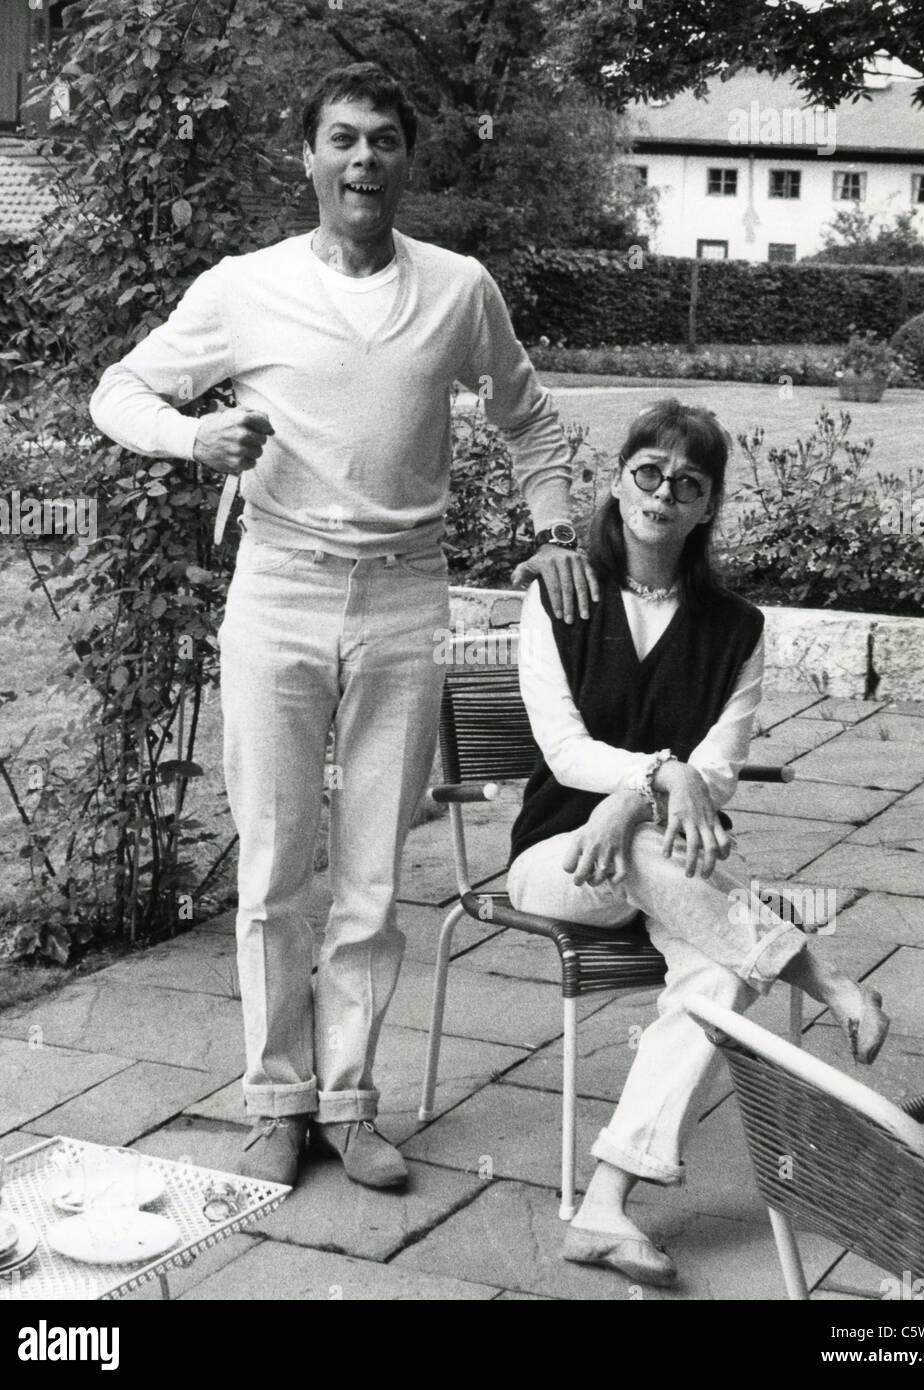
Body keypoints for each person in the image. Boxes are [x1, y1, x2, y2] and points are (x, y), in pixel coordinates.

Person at [89, 62, 597, 1191]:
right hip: (280, 588)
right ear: (308, 157)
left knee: (372, 872)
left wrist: (557, 531)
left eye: (383, 141)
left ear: (408, 160)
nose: (363, 160)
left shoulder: (461, 288)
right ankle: (275, 1099)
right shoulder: (243, 287)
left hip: (407, 596)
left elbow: (531, 421)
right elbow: (116, 390)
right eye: (342, 139)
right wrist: (193, 441)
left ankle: (352, 1104)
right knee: (275, 865)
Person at [507, 397, 889, 1288]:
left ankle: (604, 1203)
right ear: (617, 480)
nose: (663, 493)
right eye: (648, 473)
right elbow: (563, 751)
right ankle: (823, 975)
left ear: (708, 505)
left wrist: (644, 793)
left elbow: (715, 776)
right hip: (553, 862)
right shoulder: (558, 598)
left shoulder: (737, 629)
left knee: (717, 975)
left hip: (664, 868)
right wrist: (654, 780)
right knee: (650, 853)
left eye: (688, 483)